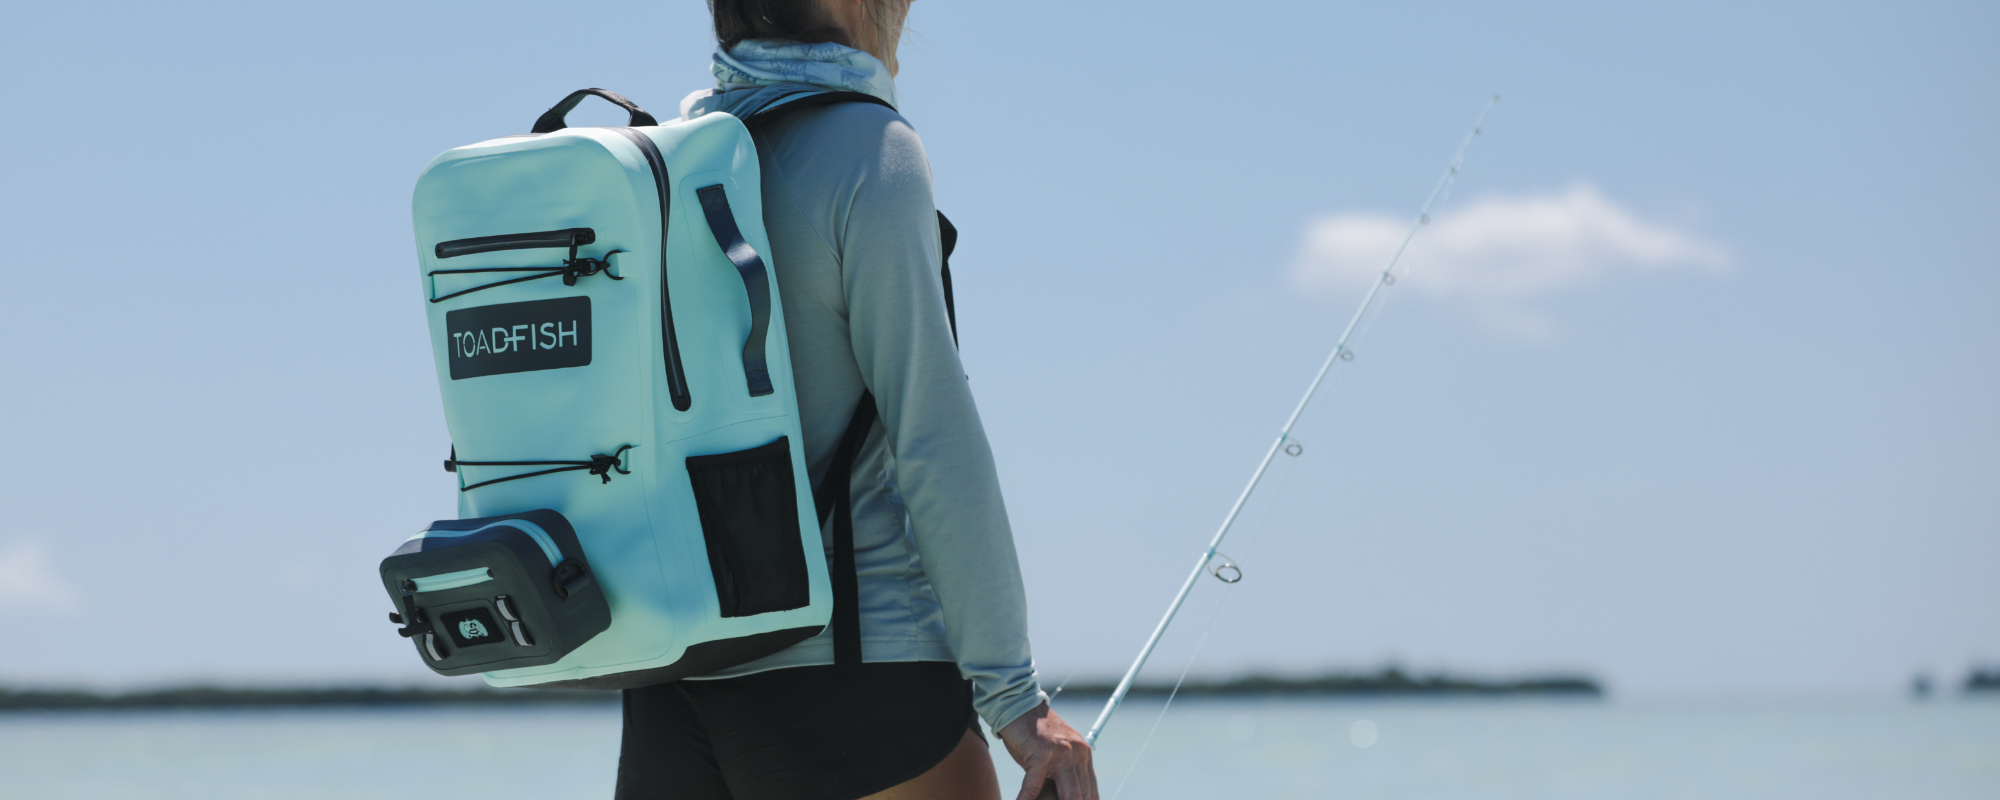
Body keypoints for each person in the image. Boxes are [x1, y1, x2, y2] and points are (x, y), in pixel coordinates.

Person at [612, 2, 1099, 799]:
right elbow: (932, 437)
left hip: (676, 687)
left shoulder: (665, 167)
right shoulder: (868, 150)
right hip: (858, 674)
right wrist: (1014, 699)